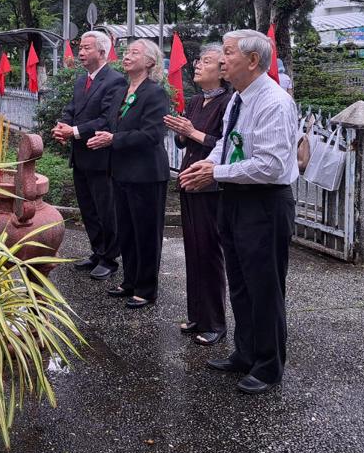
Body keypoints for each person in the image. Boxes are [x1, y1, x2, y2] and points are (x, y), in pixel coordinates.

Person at [179, 29, 298, 395]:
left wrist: (217, 172)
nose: (221, 59)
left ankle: (268, 365)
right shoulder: (238, 100)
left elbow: (271, 165)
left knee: (264, 286)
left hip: (264, 202)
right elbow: (228, 145)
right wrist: (209, 167)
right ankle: (245, 352)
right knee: (241, 283)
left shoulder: (274, 102)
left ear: (252, 60)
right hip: (234, 198)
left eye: (228, 53)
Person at [87, 39, 169, 308]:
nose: (127, 56)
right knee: (127, 230)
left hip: (146, 174)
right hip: (121, 171)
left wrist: (114, 139)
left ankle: (146, 288)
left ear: (150, 62)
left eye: (135, 52)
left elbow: (152, 134)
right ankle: (130, 280)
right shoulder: (124, 89)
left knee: (146, 232)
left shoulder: (154, 93)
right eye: (126, 51)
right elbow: (113, 123)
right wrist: (106, 137)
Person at [163, 44, 232, 345]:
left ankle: (215, 322)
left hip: (210, 185)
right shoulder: (194, 101)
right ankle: (197, 315)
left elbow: (223, 144)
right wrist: (181, 132)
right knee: (193, 251)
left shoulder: (229, 102)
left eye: (206, 62)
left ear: (222, 70)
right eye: (198, 61)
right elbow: (183, 143)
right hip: (188, 180)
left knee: (210, 252)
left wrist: (191, 132)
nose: (197, 66)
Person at [52, 32, 127, 280]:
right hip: (81, 155)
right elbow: (71, 109)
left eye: (86, 48)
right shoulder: (81, 80)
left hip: (100, 155)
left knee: (106, 209)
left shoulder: (115, 81)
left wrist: (73, 131)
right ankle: (97, 250)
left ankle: (110, 258)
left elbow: (106, 120)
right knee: (88, 208)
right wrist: (62, 126)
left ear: (102, 53)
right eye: (80, 48)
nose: (80, 53)